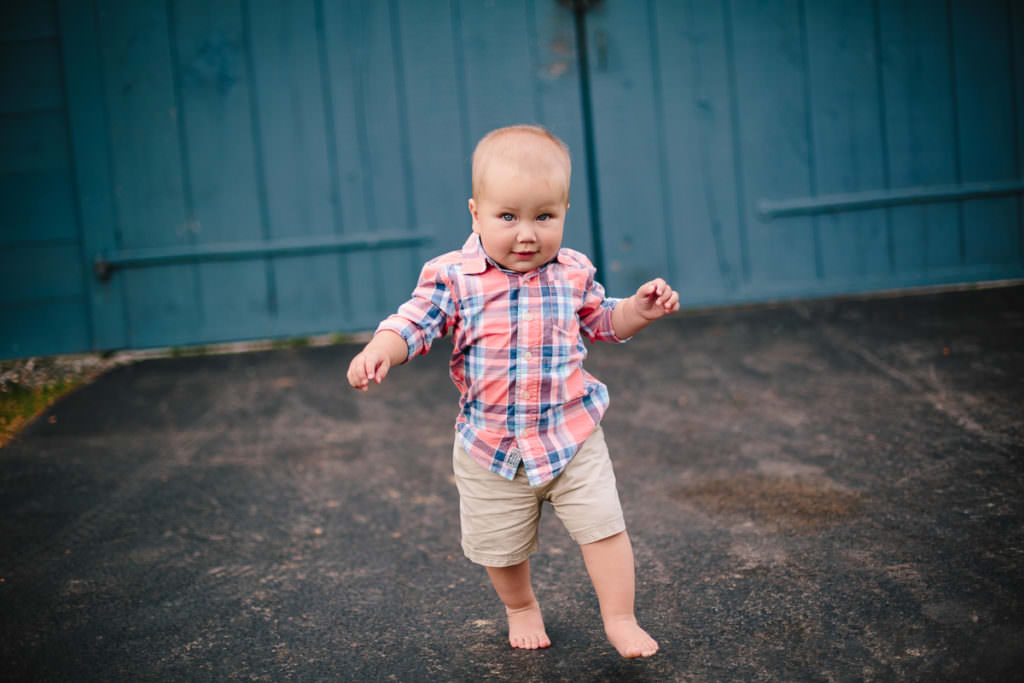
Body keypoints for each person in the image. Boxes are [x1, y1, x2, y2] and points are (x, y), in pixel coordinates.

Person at [347, 125, 679, 658]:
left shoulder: (572, 271)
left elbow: (603, 321)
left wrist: (639, 309)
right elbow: (415, 322)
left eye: (544, 217)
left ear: (565, 210)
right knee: (499, 548)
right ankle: (521, 606)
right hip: (490, 446)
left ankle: (620, 617)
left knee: (604, 528)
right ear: (475, 212)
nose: (527, 234)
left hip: (571, 435)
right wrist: (380, 351)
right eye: (508, 217)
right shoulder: (454, 277)